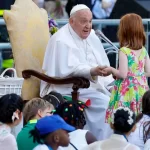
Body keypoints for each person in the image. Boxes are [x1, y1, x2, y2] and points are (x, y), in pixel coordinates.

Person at [40, 4, 114, 140]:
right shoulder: (61, 40)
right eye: (83, 21)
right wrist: (92, 71)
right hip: (67, 88)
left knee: (121, 97)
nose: (88, 26)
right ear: (71, 21)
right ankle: (101, 143)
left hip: (92, 86)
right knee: (107, 104)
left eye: (90, 21)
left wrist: (111, 83)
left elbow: (102, 63)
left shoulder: (92, 36)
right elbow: (67, 70)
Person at [104, 13, 149, 123]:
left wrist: (111, 69)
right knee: (140, 119)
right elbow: (148, 72)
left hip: (127, 91)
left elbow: (123, 74)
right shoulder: (143, 50)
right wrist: (137, 75)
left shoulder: (124, 51)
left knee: (126, 119)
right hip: (142, 90)